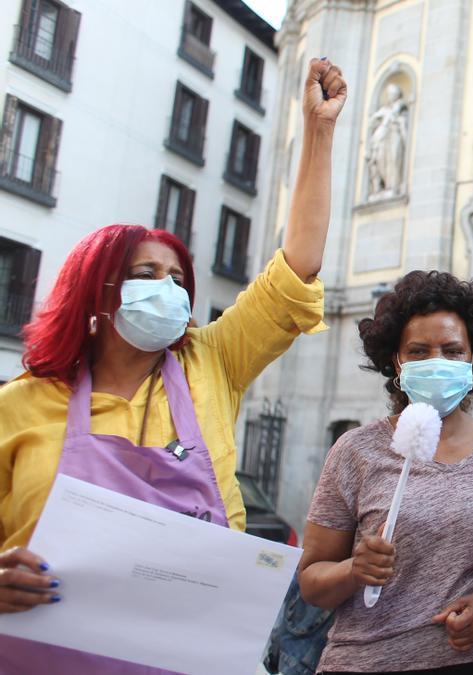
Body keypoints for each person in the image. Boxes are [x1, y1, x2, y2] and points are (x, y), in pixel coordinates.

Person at [0, 57, 345, 673]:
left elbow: (296, 268)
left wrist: (317, 133)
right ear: (97, 292)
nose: (171, 289)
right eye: (146, 275)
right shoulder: (20, 404)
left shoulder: (211, 361)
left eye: (178, 279)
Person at [298, 270, 473, 675]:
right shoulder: (354, 451)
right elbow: (312, 582)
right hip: (365, 662)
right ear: (396, 362)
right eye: (419, 351)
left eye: (452, 351)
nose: (437, 362)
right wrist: (353, 569)